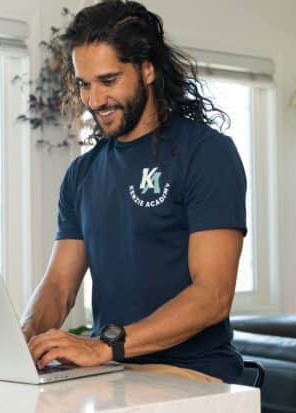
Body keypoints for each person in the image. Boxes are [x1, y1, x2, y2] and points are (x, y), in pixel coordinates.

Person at [20, 0, 247, 384]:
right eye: (84, 84)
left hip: (190, 373)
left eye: (108, 81)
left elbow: (213, 294)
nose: (93, 100)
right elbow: (59, 286)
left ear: (147, 70)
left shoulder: (206, 154)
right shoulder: (82, 173)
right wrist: (22, 342)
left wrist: (106, 345)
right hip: (111, 374)